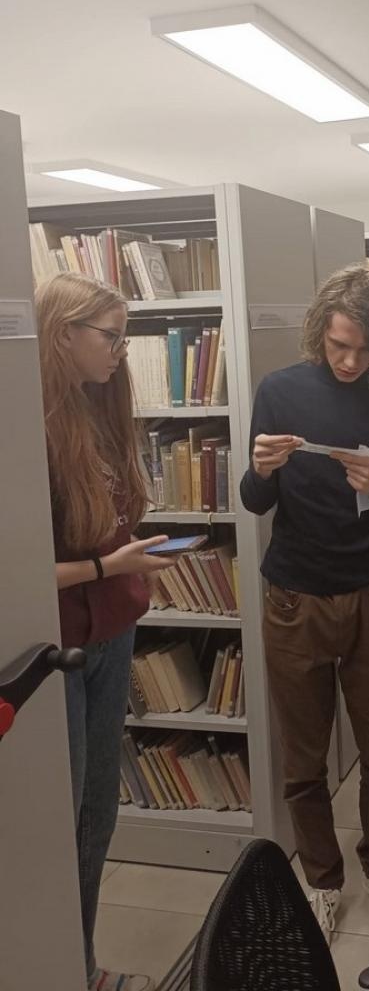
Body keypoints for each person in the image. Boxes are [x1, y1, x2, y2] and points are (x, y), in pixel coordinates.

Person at [240, 265, 369, 944]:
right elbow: (255, 501)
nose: (351, 362)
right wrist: (260, 468)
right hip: (294, 595)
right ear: (319, 329)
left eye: (365, 350)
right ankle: (321, 881)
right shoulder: (280, 389)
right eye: (339, 346)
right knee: (304, 759)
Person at [36, 272, 180, 991]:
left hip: (112, 631)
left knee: (97, 814)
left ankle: (81, 964)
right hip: (51, 649)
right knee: (58, 821)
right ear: (62, 335)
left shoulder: (102, 411)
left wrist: (125, 564)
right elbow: (15, 575)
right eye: (111, 337)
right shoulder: (25, 428)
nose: (122, 352)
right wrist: (105, 565)